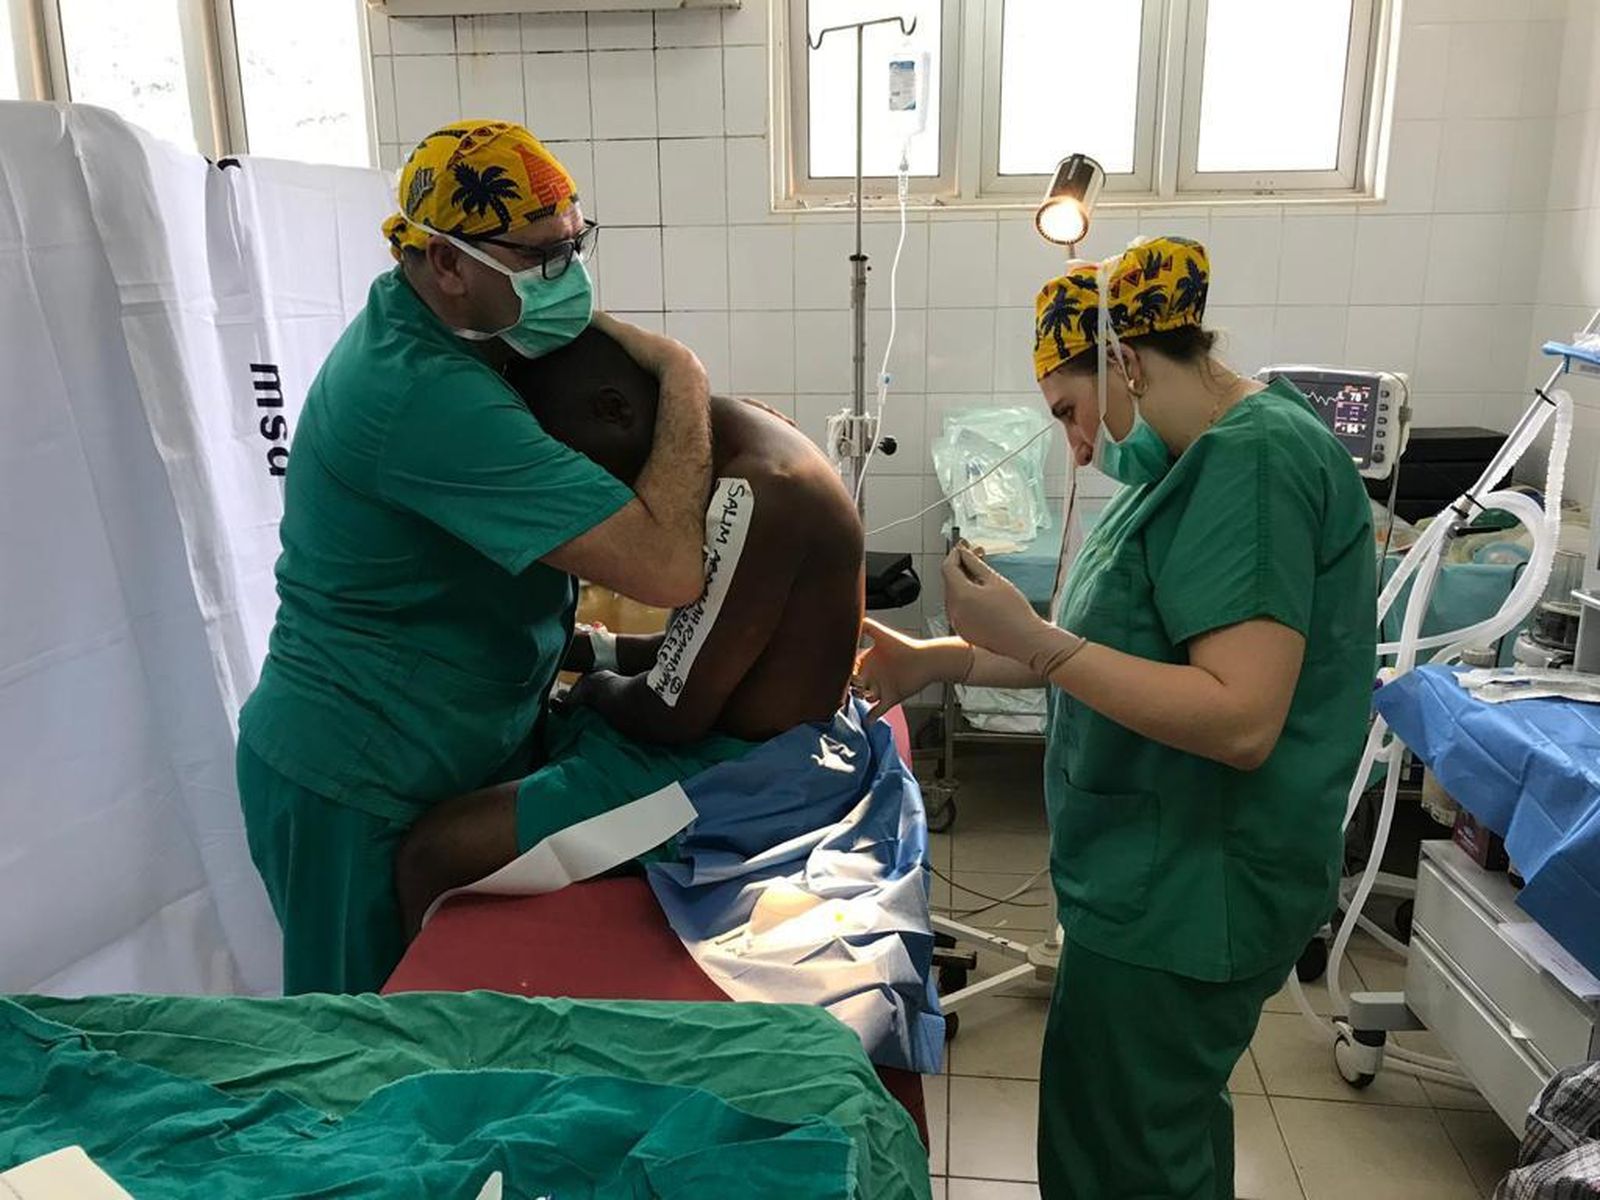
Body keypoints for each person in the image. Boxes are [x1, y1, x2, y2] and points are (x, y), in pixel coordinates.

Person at [856, 236, 1377, 1199]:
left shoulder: (1250, 465)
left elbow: (1239, 717)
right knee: (1151, 1135)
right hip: (1158, 877)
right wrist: (942, 658)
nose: (1080, 446)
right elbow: (1126, 654)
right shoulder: (1192, 465)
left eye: (1069, 411)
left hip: (1195, 889)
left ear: (1126, 360)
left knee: (1124, 1161)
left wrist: (1040, 643)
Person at [237, 121, 715, 996]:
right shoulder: (420, 395)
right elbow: (671, 568)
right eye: (541, 260)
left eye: (576, 247)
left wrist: (596, 654)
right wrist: (683, 376)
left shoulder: (475, 333)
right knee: (371, 1048)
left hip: (456, 738)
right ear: (447, 265)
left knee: (463, 1008)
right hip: (357, 774)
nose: (567, 278)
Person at [393, 327, 865, 935]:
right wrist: (594, 650)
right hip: (734, 743)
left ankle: (430, 1027)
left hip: (743, 780)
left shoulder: (758, 490)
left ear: (615, 410)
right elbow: (714, 643)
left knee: (431, 854)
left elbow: (674, 708)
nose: (581, 489)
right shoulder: (743, 430)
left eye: (569, 459)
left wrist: (592, 687)